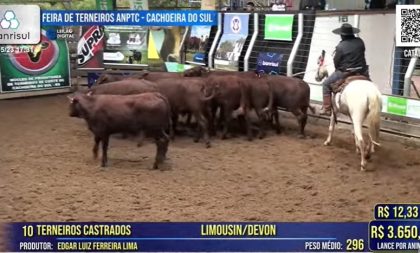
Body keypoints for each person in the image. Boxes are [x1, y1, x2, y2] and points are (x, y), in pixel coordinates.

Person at [319, 23, 369, 116]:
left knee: (325, 84)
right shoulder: (360, 41)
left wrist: (339, 68)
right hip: (362, 71)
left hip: (346, 72)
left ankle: (327, 108)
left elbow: (336, 62)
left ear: (342, 35)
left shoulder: (340, 46)